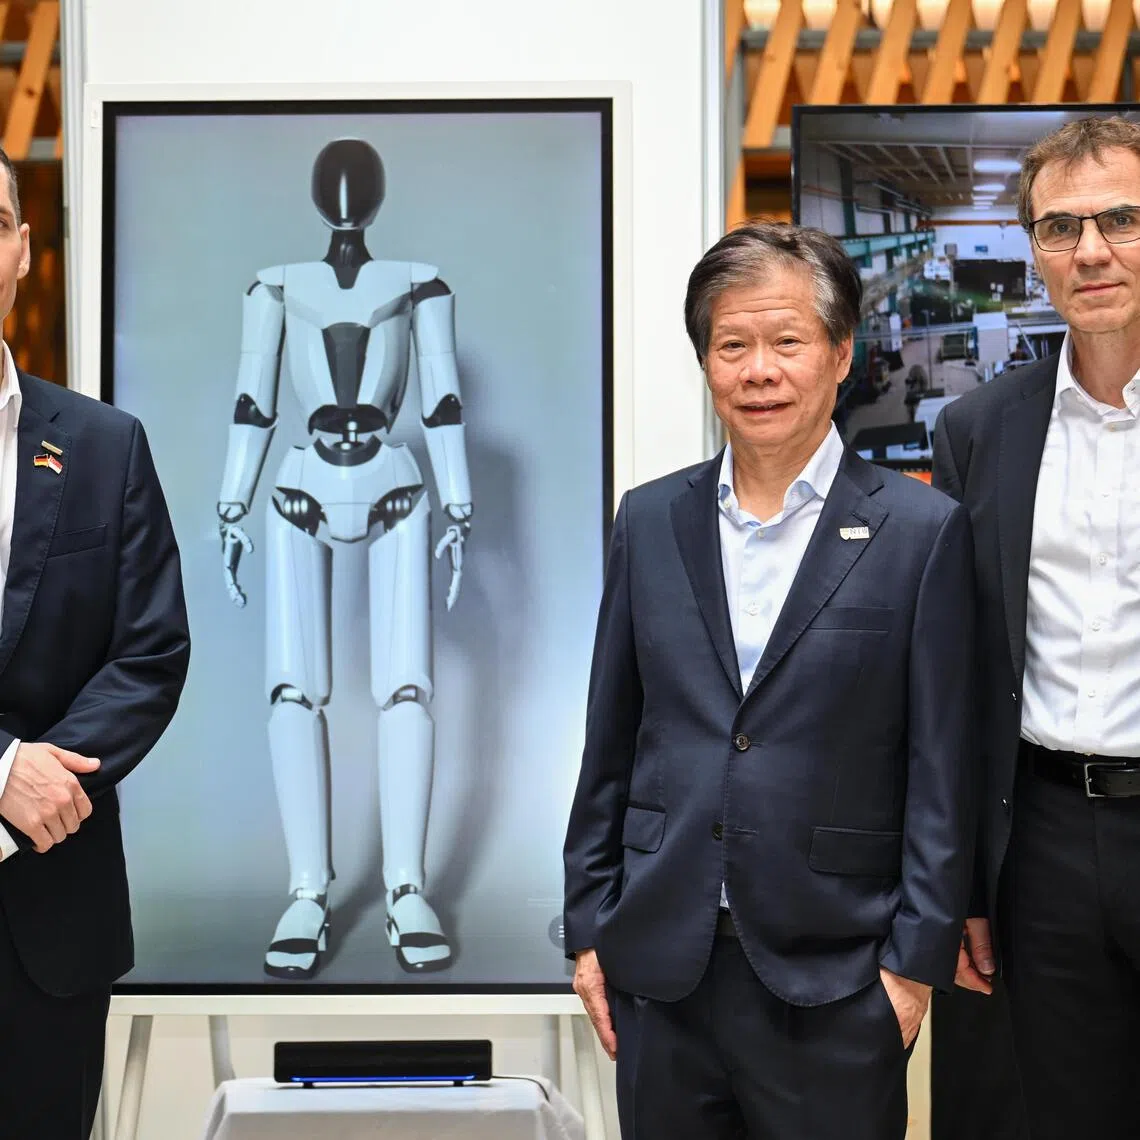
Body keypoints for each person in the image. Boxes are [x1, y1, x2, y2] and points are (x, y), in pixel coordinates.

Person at [563, 221, 976, 1139]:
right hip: (663, 963)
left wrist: (912, 966)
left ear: (838, 354)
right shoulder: (651, 518)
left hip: (834, 972)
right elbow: (612, 737)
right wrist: (589, 926)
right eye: (732, 346)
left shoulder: (921, 531)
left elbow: (944, 766)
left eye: (787, 343)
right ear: (706, 362)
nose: (759, 371)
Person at [215, 138, 472, 979]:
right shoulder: (276, 284)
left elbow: (439, 396)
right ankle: (306, 888)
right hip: (301, 481)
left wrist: (458, 500)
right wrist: (233, 501)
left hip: (395, 478)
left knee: (406, 687)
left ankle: (405, 887)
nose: (348, 195)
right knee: (293, 688)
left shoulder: (420, 282)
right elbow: (253, 397)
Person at [932, 114, 1140, 1140]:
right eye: (1061, 228)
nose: (1091, 251)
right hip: (1043, 837)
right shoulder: (978, 430)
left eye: (1121, 220)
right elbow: (965, 669)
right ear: (1033, 251)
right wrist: (967, 879)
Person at [0, 146, 190, 1137]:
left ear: (24, 249)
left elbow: (149, 650)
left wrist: (39, 787)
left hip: (51, 914)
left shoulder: (104, 446)